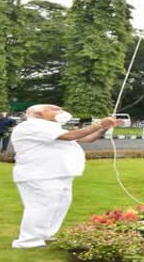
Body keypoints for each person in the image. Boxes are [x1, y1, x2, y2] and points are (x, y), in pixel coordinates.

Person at [10, 104, 122, 248]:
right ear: (37, 114)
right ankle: (28, 240)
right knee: (40, 206)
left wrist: (105, 127)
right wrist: (99, 123)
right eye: (54, 109)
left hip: (58, 173)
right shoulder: (30, 126)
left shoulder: (51, 128)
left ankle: (44, 234)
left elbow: (86, 139)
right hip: (40, 174)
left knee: (58, 206)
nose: (60, 111)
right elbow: (71, 136)